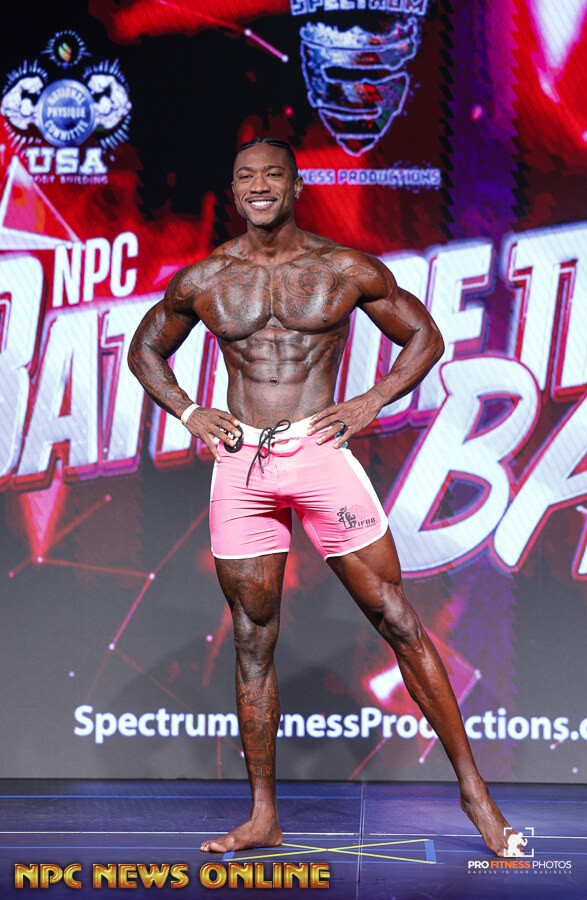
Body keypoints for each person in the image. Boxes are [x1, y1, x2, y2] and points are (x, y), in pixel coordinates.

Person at [128, 136, 522, 858]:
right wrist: (188, 411)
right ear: (234, 189)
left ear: (296, 185)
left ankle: (476, 795)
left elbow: (425, 336)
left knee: (397, 618)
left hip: (319, 454)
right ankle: (262, 816)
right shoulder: (207, 278)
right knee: (253, 639)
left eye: (272, 175)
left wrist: (372, 400)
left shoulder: (342, 267)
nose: (259, 186)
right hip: (242, 463)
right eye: (246, 176)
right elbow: (144, 349)